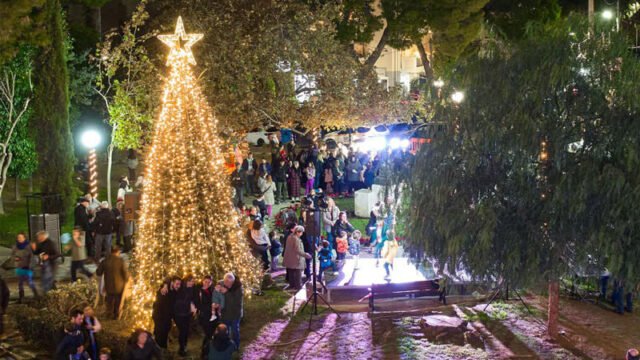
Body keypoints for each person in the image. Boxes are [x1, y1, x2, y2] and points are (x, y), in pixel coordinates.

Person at [96, 246, 130, 319]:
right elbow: (125, 274)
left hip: (108, 286)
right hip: (119, 286)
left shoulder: (105, 261)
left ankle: (109, 314)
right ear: (118, 252)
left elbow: (98, 272)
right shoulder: (120, 261)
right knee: (118, 301)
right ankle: (116, 315)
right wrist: (127, 279)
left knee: (109, 301)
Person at [174, 275, 197, 356]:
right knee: (183, 330)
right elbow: (179, 301)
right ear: (186, 280)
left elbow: (192, 299)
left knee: (186, 330)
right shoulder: (180, 287)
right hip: (178, 313)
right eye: (190, 281)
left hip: (187, 314)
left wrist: (193, 305)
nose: (192, 283)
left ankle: (184, 345)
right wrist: (190, 304)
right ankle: (181, 348)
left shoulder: (192, 288)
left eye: (193, 281)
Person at [283, 226, 311, 290]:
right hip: (296, 259)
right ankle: (299, 286)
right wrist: (306, 255)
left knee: (291, 273)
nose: (302, 234)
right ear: (298, 232)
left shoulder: (289, 237)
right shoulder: (296, 239)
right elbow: (298, 250)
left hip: (290, 258)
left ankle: (292, 285)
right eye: (301, 232)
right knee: (298, 274)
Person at [11, 232, 37, 302]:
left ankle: (36, 296)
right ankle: (21, 298)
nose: (19, 239)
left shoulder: (29, 246)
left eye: (21, 237)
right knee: (20, 283)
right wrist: (15, 259)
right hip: (19, 267)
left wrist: (30, 266)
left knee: (30, 282)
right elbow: (12, 256)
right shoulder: (15, 247)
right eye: (18, 237)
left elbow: (32, 257)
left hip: (28, 267)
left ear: (24, 238)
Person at [221, 273, 243, 347]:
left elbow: (235, 302)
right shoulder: (222, 284)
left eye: (228, 282)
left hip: (235, 314)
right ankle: (227, 346)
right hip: (225, 314)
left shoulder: (238, 288)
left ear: (233, 282)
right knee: (225, 331)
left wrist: (226, 293)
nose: (226, 284)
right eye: (225, 282)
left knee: (234, 331)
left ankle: (236, 346)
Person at [152, 280, 173, 349]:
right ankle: (158, 349)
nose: (165, 289)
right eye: (164, 287)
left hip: (166, 318)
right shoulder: (160, 294)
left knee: (165, 333)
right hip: (159, 317)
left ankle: (163, 348)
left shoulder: (170, 294)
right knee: (159, 333)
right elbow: (156, 306)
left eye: (167, 287)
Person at [196, 275, 216, 346]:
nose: (207, 283)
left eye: (209, 282)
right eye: (205, 281)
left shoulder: (212, 289)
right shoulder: (199, 290)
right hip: (204, 315)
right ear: (202, 281)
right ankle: (205, 350)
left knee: (210, 333)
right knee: (208, 333)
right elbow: (198, 303)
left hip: (212, 315)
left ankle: (207, 348)